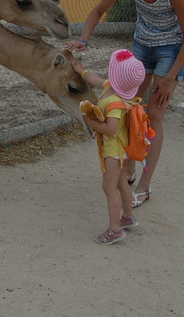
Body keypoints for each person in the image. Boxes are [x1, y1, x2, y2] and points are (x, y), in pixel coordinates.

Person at [66, 0, 184, 208]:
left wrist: (170, 78)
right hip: (141, 47)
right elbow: (98, 9)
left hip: (170, 51)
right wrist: (84, 39)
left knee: (155, 116)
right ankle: (130, 170)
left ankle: (145, 186)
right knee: (129, 106)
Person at [73, 49, 146, 245]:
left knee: (109, 187)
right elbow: (95, 79)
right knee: (122, 181)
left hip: (114, 151)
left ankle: (114, 230)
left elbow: (110, 128)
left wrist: (89, 121)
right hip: (122, 150)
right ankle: (128, 217)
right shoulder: (112, 89)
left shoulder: (114, 102)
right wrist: (81, 71)